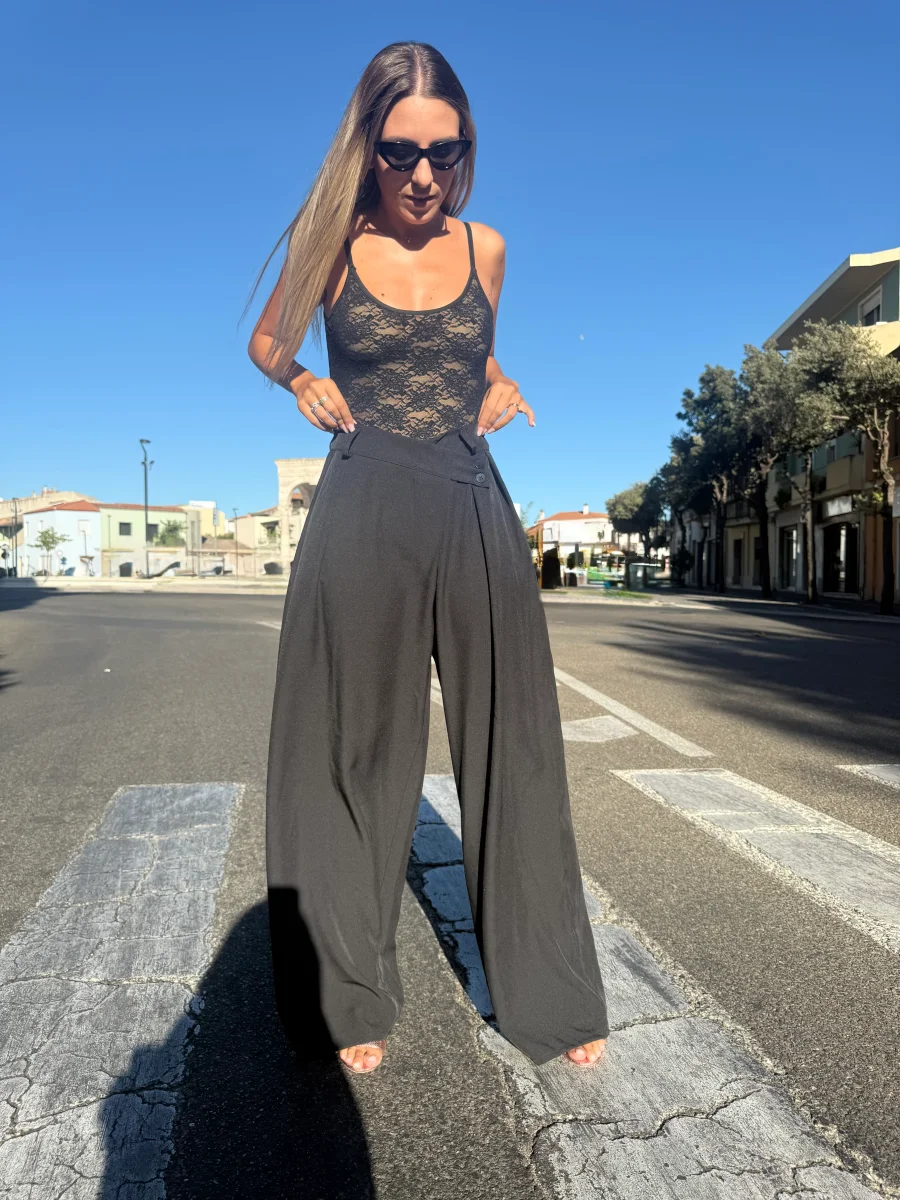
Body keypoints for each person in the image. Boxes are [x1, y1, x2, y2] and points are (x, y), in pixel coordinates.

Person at [245, 40, 608, 1075]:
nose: (420, 174)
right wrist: (300, 381)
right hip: (362, 502)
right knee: (353, 751)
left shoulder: (487, 247)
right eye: (399, 151)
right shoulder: (329, 241)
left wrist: (500, 384)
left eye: (442, 152)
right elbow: (268, 340)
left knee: (515, 745)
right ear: (368, 147)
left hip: (470, 498)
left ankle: (547, 991)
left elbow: (475, 353)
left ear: (465, 149)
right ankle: (347, 994)